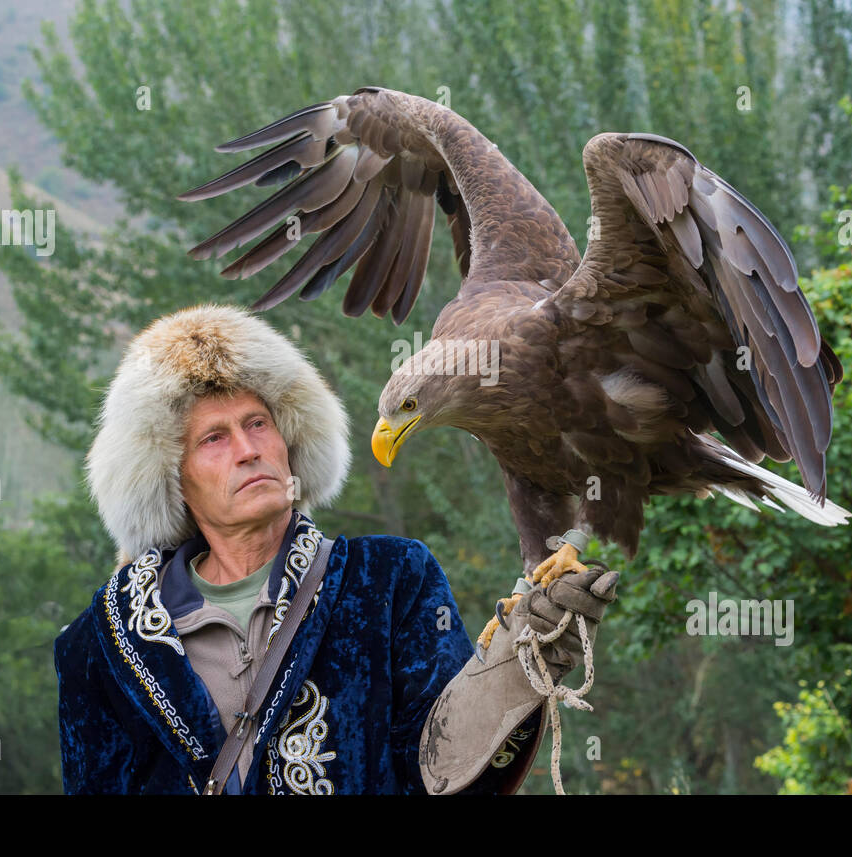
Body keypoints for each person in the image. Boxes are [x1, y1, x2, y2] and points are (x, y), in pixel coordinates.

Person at [54, 303, 617, 794]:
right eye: (214, 438)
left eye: (258, 423)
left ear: (290, 437)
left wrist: (519, 663)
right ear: (169, 475)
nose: (248, 450)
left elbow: (438, 768)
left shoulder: (391, 578)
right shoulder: (102, 642)